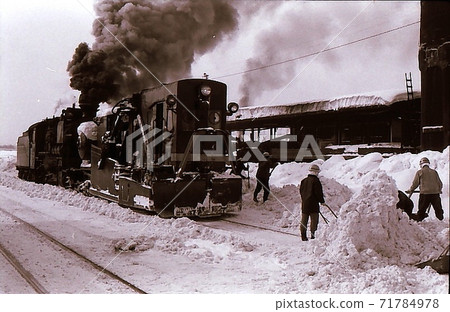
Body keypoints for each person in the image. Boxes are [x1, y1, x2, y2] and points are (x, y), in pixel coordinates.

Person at [406, 157, 444, 221]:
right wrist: (439, 190)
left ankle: (420, 220)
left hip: (425, 194)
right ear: (428, 164)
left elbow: (415, 183)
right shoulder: (434, 172)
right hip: (435, 194)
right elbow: (440, 183)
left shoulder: (420, 172)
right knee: (438, 209)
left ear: (421, 164)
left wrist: (411, 190)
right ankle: (441, 220)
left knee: (422, 209)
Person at [299, 164, 325, 241]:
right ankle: (313, 236)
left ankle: (303, 236)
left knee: (304, 220)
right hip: (314, 204)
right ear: (316, 172)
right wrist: (322, 201)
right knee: (314, 220)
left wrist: (304, 199)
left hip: (305, 203)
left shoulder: (303, 181)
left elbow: (301, 191)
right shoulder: (316, 181)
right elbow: (318, 193)